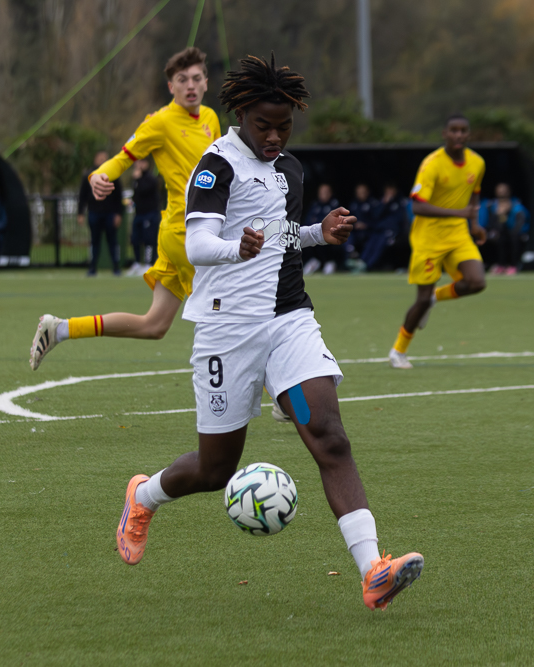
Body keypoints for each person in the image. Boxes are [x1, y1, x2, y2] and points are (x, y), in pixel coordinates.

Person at [114, 54, 424, 611]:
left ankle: (373, 569)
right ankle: (144, 495)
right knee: (215, 470)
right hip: (226, 331)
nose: (275, 135)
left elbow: (280, 238)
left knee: (329, 434)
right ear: (241, 116)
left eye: (284, 126)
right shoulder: (216, 166)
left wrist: (318, 234)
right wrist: (238, 247)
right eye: (264, 125)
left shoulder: (291, 170)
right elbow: (197, 244)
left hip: (288, 319)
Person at [30, 47, 221, 370]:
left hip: (188, 231)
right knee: (234, 314)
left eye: (196, 78)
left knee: (154, 325)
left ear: (206, 82)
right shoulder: (159, 122)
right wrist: (98, 175)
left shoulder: (211, 118)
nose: (190, 85)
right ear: (170, 87)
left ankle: (60, 328)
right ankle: (280, 394)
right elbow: (124, 156)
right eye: (182, 79)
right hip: (185, 235)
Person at [388, 114, 486, 370]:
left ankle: (436, 298)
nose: (458, 135)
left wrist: (474, 224)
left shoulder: (477, 163)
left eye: (463, 131)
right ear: (444, 133)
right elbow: (418, 206)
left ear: (469, 135)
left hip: (458, 235)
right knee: (420, 300)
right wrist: (460, 214)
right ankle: (398, 350)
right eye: (453, 130)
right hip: (428, 237)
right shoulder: (431, 164)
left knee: (477, 282)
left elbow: (474, 194)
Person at [78, 150, 124, 276]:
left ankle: (116, 267)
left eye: (105, 158)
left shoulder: (113, 175)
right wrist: (80, 213)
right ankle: (92, 267)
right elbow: (82, 196)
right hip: (94, 213)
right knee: (94, 241)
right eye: (100, 157)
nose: (102, 160)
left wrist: (118, 214)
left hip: (110, 214)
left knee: (112, 241)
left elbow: (118, 196)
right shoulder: (89, 175)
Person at [478, 183, 528, 275]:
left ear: (508, 192)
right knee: (498, 238)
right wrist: (498, 215)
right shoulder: (491, 205)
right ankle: (500, 265)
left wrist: (506, 212)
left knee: (513, 239)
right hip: (498, 232)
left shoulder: (515, 205)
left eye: (504, 192)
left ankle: (513, 265)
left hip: (513, 232)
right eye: (500, 192)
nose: (502, 194)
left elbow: (519, 223)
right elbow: (491, 222)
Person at [360, 184, 410, 271]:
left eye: (391, 191)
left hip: (393, 232)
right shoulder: (382, 203)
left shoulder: (401, 203)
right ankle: (361, 262)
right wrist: (384, 204)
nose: (389, 194)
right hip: (380, 230)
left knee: (381, 243)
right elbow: (376, 216)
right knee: (371, 242)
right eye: (388, 192)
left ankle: (368, 265)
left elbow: (401, 221)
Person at [127, 159, 161, 276]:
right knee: (135, 239)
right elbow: (136, 194)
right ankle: (137, 262)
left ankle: (148, 263)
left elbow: (144, 190)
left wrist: (138, 179)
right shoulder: (137, 179)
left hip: (150, 213)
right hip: (139, 213)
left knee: (149, 239)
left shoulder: (150, 179)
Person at [301, 183, 339, 276]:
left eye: (326, 192)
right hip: (316, 234)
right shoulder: (315, 205)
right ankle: (314, 261)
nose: (323, 194)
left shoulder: (335, 205)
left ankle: (329, 263)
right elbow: (308, 220)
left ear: (330, 193)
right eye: (321, 192)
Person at [347, 183, 379, 270]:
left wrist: (366, 225)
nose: (361, 194)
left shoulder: (373, 204)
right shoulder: (353, 204)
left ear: (368, 192)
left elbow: (378, 221)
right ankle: (351, 253)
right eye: (359, 192)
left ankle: (363, 262)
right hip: (356, 232)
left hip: (369, 231)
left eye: (363, 192)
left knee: (375, 238)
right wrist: (354, 225)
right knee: (345, 234)